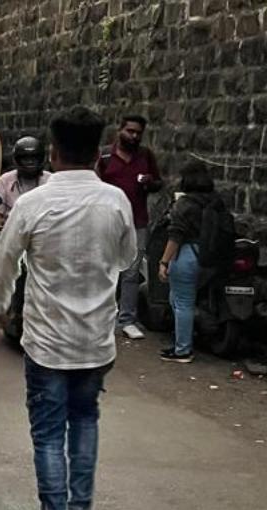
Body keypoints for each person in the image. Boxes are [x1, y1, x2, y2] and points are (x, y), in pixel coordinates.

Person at [0, 106, 139, 510]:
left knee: (48, 435)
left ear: (53, 151)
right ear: (98, 151)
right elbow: (129, 258)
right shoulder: (115, 201)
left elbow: (4, 261)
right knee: (85, 420)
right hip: (96, 340)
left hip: (48, 341)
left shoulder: (34, 203)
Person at [98, 113, 163, 340]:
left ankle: (127, 319)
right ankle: (101, 315)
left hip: (137, 222)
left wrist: (149, 183)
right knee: (104, 269)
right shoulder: (105, 156)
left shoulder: (146, 156)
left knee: (131, 272)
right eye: (130, 131)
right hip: (107, 222)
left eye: (138, 133)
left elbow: (158, 183)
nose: (134, 136)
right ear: (120, 130)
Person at [155, 160, 224, 364]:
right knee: (185, 301)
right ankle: (184, 341)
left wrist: (164, 262)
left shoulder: (184, 204)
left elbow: (175, 236)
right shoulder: (215, 201)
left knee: (181, 302)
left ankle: (182, 349)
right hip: (210, 255)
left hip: (186, 254)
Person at [0, 135, 51, 303]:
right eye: (25, 159)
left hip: (44, 231)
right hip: (11, 230)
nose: (30, 163)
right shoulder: (5, 180)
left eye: (33, 158)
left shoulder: (50, 180)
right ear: (18, 160)